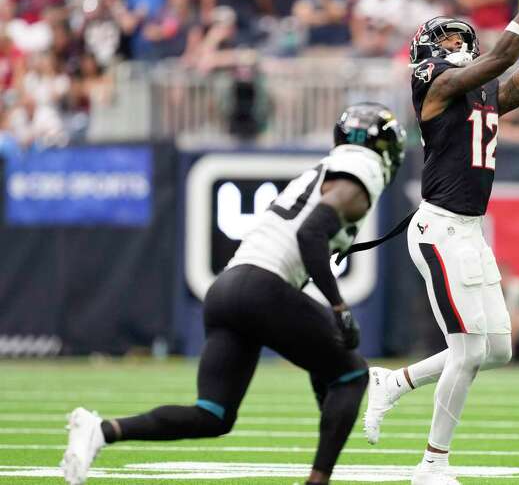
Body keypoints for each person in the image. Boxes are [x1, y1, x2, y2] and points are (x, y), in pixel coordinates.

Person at [59, 103, 407, 485]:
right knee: (354, 375)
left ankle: (100, 430)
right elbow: (310, 234)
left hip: (227, 290)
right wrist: (339, 307)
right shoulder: (363, 167)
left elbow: (303, 253)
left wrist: (325, 361)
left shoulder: (323, 170)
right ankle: (317, 482)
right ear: (384, 147)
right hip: (262, 287)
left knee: (213, 414)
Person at [361, 0, 519, 484]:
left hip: (467, 230)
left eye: (459, 44)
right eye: (445, 45)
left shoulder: (480, 94)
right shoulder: (437, 90)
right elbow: (502, 57)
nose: (456, 51)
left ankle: (393, 384)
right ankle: (431, 465)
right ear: (426, 57)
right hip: (439, 228)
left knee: (497, 349)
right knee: (467, 351)